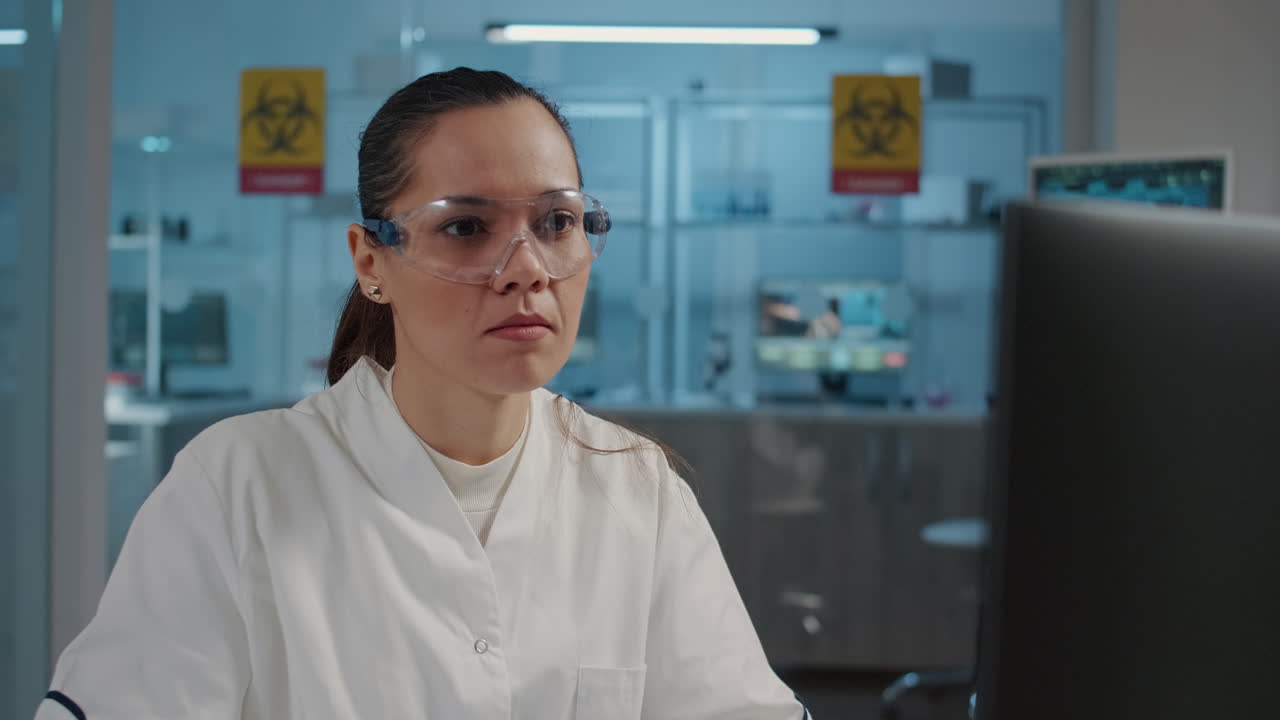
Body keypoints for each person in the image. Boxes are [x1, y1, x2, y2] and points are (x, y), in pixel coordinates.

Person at [36, 68, 811, 719]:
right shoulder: (237, 486)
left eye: (557, 221)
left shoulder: (636, 488)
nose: (528, 267)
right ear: (371, 261)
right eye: (468, 228)